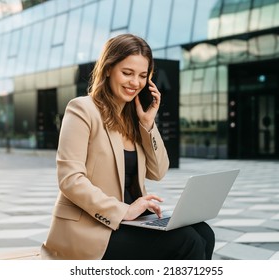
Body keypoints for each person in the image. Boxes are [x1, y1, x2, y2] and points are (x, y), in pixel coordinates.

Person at [41, 34, 215, 260]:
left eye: (143, 76)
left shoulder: (135, 120)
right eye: (127, 73)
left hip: (129, 223)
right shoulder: (82, 110)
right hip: (90, 228)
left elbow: (159, 171)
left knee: (204, 233)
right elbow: (70, 179)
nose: (135, 83)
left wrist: (148, 125)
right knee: (186, 242)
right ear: (107, 69)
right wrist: (125, 210)